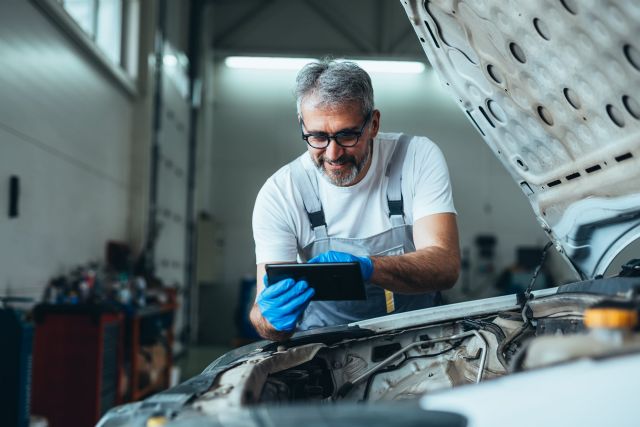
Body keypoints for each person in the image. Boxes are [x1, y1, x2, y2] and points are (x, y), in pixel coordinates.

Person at [250, 59, 460, 341]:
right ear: (302, 124)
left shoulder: (415, 158)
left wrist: (367, 267)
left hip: (419, 343)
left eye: (347, 135)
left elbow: (445, 265)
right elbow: (261, 314)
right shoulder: (281, 193)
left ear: (373, 123)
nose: (333, 153)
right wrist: (272, 322)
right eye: (318, 137)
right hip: (325, 350)